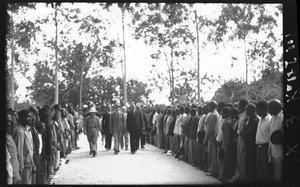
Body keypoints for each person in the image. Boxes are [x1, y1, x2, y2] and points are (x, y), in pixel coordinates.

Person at [230, 99, 249, 183]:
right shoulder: (241, 115)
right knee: (239, 158)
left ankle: (242, 177)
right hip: (239, 138)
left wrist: (239, 132)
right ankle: (239, 176)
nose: (238, 106)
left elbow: (243, 129)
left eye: (240, 105)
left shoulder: (246, 116)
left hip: (243, 139)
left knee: (242, 158)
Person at [14, 109, 35, 184]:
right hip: (24, 165)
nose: (30, 119)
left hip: (28, 162)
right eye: (27, 117)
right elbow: (19, 150)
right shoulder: (20, 131)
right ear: (21, 118)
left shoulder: (25, 130)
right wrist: (20, 167)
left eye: (30, 117)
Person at [255, 101, 273, 182]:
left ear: (264, 109)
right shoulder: (260, 119)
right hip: (258, 147)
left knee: (267, 170)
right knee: (259, 170)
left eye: (257, 109)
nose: (256, 111)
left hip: (265, 148)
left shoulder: (270, 120)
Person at [268, 99, 283, 182]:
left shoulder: (282, 118)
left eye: (269, 108)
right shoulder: (273, 118)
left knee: (280, 174)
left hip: (280, 152)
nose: (268, 110)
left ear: (275, 108)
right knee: (276, 173)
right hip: (273, 151)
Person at [203, 100, 219, 177]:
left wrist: (205, 140)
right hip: (211, 137)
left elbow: (210, 129)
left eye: (210, 105)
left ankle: (213, 170)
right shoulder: (212, 114)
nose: (208, 107)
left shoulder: (214, 115)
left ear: (213, 106)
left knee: (212, 154)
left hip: (212, 137)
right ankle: (212, 170)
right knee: (211, 154)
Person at [6, 113, 21, 184]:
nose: (9, 124)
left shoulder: (9, 135)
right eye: (7, 121)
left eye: (10, 121)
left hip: (14, 173)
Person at [221, 107, 235, 180]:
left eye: (222, 112)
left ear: (227, 113)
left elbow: (227, 138)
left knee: (228, 163)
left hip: (227, 147)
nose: (221, 114)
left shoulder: (227, 123)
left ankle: (227, 177)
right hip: (227, 146)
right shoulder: (228, 121)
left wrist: (225, 148)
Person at [215, 102, 226, 180]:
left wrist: (218, 140)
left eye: (219, 107)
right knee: (219, 157)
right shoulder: (220, 116)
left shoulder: (223, 118)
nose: (218, 108)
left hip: (221, 141)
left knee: (222, 158)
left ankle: (222, 175)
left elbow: (221, 131)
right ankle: (220, 173)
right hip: (218, 139)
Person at [196, 105, 206, 170]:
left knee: (202, 152)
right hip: (198, 136)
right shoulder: (200, 117)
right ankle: (200, 164)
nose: (199, 111)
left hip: (201, 137)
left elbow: (202, 128)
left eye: (200, 110)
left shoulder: (204, 117)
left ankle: (202, 165)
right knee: (199, 151)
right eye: (198, 110)